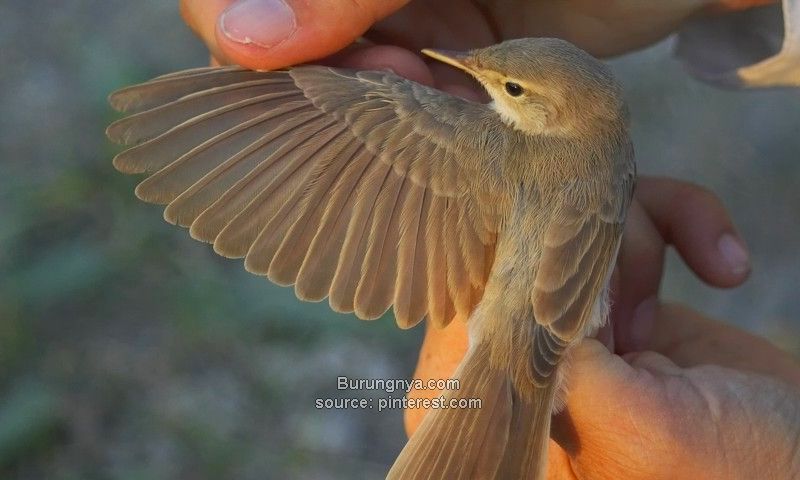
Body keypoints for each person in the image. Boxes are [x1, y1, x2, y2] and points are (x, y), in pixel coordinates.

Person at [179, 1, 800, 478]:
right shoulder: (611, 152)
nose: (478, 76)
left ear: (549, 113)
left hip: (534, 333)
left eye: (508, 88)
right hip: (567, 322)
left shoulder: (465, 138)